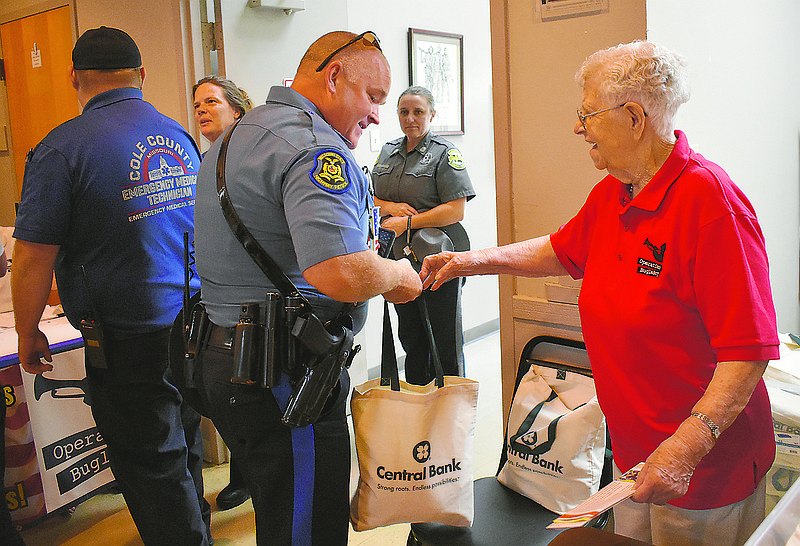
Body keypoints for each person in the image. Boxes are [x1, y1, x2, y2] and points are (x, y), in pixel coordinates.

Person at [420, 40, 778, 546]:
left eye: (587, 113)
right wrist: (464, 262)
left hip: (704, 471)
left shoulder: (711, 205)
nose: (577, 127)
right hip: (635, 458)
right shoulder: (617, 190)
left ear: (634, 117)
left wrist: (683, 451)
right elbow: (561, 250)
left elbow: (747, 354)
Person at [193, 31, 422, 545]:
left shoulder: (240, 133)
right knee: (307, 524)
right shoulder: (316, 146)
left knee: (280, 510)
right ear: (334, 76)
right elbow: (338, 271)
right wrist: (398, 276)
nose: (377, 116)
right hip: (284, 373)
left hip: (229, 359)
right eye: (373, 98)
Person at [12, 27, 212, 545]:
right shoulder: (180, 137)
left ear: (74, 76)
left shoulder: (62, 150)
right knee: (183, 449)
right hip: (194, 322)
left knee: (149, 465)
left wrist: (28, 329)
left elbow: (32, 256)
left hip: (128, 336)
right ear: (142, 75)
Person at [372, 86, 475, 385]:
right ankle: (418, 400)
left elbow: (456, 210)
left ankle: (451, 403)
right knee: (411, 335)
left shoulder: (444, 154)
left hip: (439, 257)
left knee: (444, 339)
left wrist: (409, 222)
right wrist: (389, 207)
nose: (410, 118)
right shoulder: (388, 152)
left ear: (432, 114)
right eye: (404, 112)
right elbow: (370, 198)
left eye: (418, 112)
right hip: (398, 260)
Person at [192, 74, 253, 511]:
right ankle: (244, 471)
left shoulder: (248, 159)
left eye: (211, 101)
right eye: (197, 104)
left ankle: (249, 474)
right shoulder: (204, 159)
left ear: (237, 109)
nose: (201, 110)